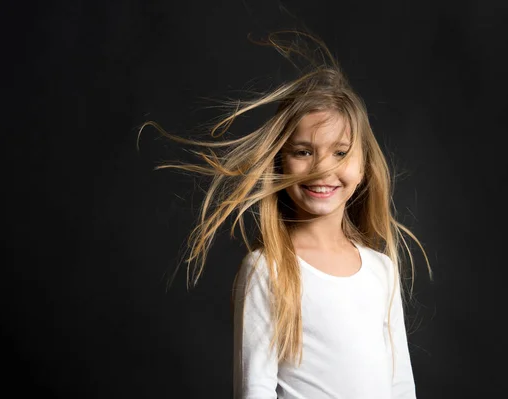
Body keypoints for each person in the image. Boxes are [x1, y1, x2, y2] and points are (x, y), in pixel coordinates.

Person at [139, 31, 432, 399]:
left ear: (364, 167)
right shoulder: (268, 269)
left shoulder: (381, 270)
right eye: (304, 152)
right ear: (280, 162)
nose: (322, 170)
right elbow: (255, 389)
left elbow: (401, 385)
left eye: (341, 152)